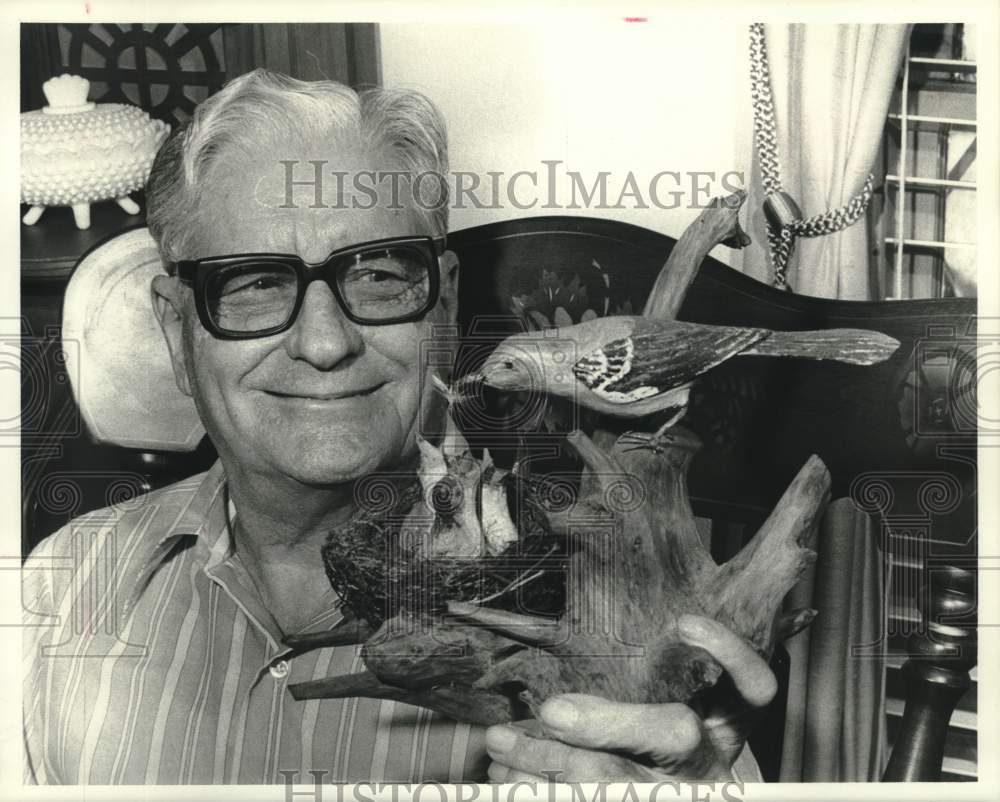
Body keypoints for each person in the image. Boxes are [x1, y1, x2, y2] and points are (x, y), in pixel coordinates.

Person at [22, 69, 773, 785]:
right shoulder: (59, 589)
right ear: (176, 327)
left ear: (444, 309)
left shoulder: (626, 626)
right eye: (254, 283)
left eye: (377, 275)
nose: (325, 342)